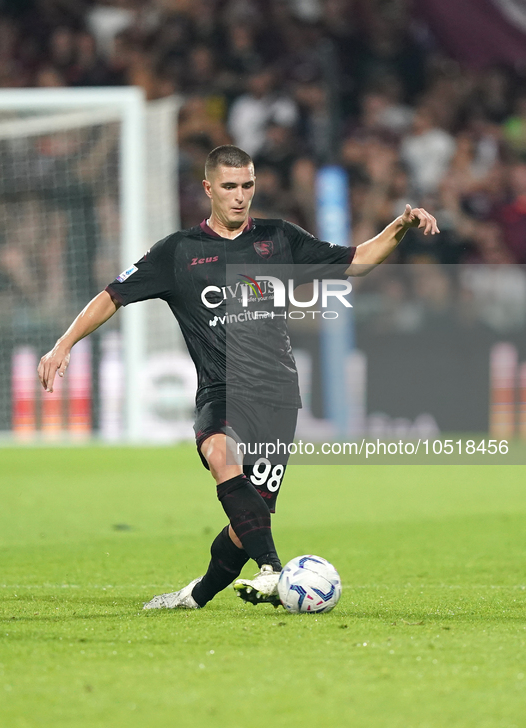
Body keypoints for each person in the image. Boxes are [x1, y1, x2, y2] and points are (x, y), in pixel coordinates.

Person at [37, 145, 439, 610]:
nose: (240, 196)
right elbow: (113, 295)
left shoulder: (279, 239)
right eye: (229, 187)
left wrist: (400, 227)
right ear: (209, 189)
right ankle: (273, 570)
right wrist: (63, 344)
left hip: (278, 396)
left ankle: (195, 597)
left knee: (249, 521)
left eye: (247, 185)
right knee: (219, 453)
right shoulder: (178, 252)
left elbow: (359, 259)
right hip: (222, 390)